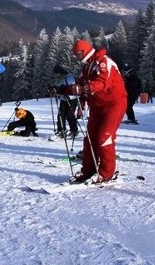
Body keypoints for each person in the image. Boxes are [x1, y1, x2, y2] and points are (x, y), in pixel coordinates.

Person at [69, 40, 127, 183]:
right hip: (97, 106)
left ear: (83, 51)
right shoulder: (88, 67)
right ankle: (88, 170)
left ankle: (107, 173)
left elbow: (102, 82)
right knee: (90, 139)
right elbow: (80, 84)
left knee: (104, 138)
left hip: (114, 104)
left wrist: (87, 88)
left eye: (77, 54)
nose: (76, 58)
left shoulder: (104, 61)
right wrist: (63, 90)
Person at [51, 65, 79, 138]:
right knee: (61, 114)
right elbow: (58, 87)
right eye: (55, 74)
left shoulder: (69, 77)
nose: (56, 75)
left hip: (71, 98)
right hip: (63, 98)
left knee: (70, 115)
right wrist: (53, 89)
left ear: (61, 72)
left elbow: (72, 87)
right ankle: (61, 131)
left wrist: (62, 90)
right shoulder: (59, 79)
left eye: (57, 73)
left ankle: (74, 130)